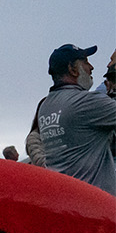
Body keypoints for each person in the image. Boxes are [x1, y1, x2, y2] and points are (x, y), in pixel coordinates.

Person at [37, 43, 116, 195]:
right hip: (96, 205)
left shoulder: (46, 106)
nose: (91, 67)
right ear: (72, 69)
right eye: (86, 62)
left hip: (67, 201)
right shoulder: (85, 103)